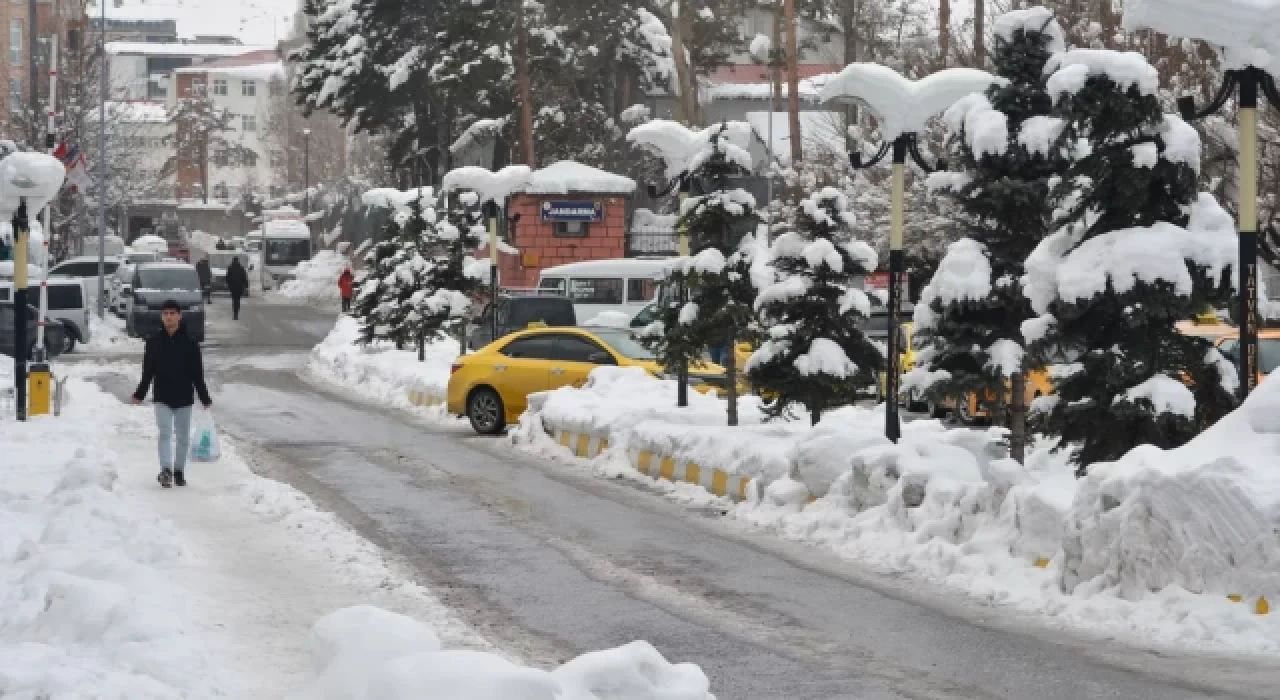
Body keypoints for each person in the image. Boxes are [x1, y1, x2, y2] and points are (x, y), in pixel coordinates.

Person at [131, 300, 212, 488]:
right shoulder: (153, 343)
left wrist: (204, 397)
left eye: (172, 313)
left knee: (183, 437)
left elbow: (197, 374)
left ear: (179, 316)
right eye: (165, 313)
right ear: (162, 317)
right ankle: (166, 469)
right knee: (165, 432)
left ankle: (178, 471)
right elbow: (148, 372)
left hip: (184, 396)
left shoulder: (191, 344)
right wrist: (140, 394)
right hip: (162, 396)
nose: (169, 317)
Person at [226, 256, 249, 321]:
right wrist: (246, 286)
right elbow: (244, 278)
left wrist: (229, 284)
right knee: (238, 300)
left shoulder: (230, 268)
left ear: (233, 261)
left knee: (234, 300)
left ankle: (235, 314)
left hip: (233, 287)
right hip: (239, 287)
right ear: (238, 261)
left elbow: (227, 278)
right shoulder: (241, 268)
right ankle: (237, 313)